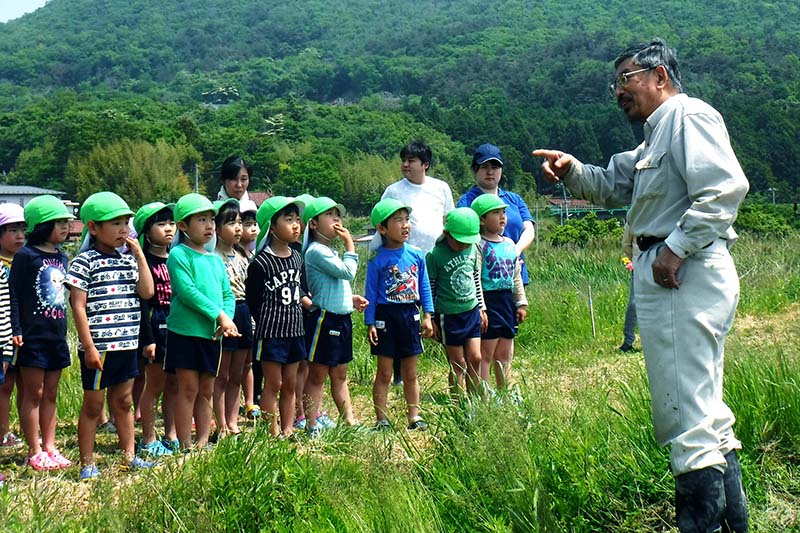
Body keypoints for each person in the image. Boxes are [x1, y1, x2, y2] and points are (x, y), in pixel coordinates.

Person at [533, 38, 749, 532]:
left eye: (626, 78)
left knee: (684, 419)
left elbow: (725, 189)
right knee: (706, 415)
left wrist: (674, 248)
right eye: (616, 83)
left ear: (660, 77)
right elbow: (613, 183)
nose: (618, 91)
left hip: (682, 274)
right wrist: (572, 170)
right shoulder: (654, 137)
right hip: (679, 273)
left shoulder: (688, 116)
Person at [66, 192, 155, 480]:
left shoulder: (128, 260)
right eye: (114, 223)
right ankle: (87, 462)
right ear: (93, 228)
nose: (122, 230)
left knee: (125, 401)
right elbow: (77, 306)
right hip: (100, 347)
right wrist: (89, 347)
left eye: (125, 223)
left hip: (127, 343)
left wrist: (140, 255)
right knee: (93, 405)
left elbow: (147, 292)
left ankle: (130, 456)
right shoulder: (84, 262)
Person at [164, 194, 238, 451]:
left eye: (211, 220)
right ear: (183, 226)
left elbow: (227, 293)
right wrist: (219, 315)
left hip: (212, 334)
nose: (209, 226)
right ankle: (185, 444)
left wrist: (226, 317)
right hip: (185, 332)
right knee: (188, 389)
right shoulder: (178, 255)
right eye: (201, 220)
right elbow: (187, 292)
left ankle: (203, 441)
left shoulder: (215, 260)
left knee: (207, 389)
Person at [9, 195, 73, 471]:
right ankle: (33, 449)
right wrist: (16, 329)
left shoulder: (62, 256)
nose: (64, 228)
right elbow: (13, 295)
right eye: (57, 223)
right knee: (33, 392)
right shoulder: (26, 256)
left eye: (66, 222)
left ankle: (50, 445)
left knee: (51, 392)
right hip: (32, 336)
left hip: (56, 334)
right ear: (40, 225)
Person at [382, 140, 454, 385]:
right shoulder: (393, 191)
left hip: (436, 258)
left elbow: (447, 220)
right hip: (404, 261)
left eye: (410, 161)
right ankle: (400, 371)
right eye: (403, 160)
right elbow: (382, 223)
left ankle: (450, 355)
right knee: (405, 310)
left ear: (425, 164)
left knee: (439, 307)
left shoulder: (441, 188)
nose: (405, 165)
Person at [365, 199, 433, 431]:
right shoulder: (377, 259)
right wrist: (370, 322)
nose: (405, 225)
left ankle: (414, 416)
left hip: (409, 314)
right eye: (398, 220)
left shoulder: (417, 255)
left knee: (410, 372)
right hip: (385, 317)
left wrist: (428, 315)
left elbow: (424, 286)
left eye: (407, 220)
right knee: (384, 372)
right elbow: (371, 293)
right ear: (382, 229)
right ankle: (381, 419)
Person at [246, 196, 306, 437]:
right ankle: (271, 431)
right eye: (288, 220)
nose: (295, 225)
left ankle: (288, 429)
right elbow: (253, 300)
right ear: (271, 226)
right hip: (271, 333)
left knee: (291, 384)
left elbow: (300, 289)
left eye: (297, 220)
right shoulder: (260, 262)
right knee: (274, 384)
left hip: (295, 329)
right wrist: (265, 320)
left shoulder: (297, 257)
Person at [302, 196, 360, 437]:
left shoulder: (329, 250)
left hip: (342, 317)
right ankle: (311, 425)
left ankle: (349, 421)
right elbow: (347, 272)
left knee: (340, 374)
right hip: (325, 319)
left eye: (338, 214)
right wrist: (350, 244)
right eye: (329, 215)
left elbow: (334, 285)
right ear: (314, 224)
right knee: (317, 375)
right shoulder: (316, 251)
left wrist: (352, 300)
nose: (336, 219)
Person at [426, 208, 487, 398]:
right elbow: (431, 288)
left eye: (467, 242)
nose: (463, 246)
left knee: (475, 358)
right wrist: (432, 318)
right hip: (448, 316)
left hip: (471, 311)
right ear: (447, 234)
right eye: (459, 241)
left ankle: (476, 400)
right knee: (458, 362)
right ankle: (458, 402)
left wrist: (481, 307)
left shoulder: (473, 249)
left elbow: (476, 279)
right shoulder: (435, 255)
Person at [133, 202, 179, 456]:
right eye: (160, 224)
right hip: (155, 322)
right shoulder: (143, 261)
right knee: (155, 385)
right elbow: (143, 302)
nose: (168, 229)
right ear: (147, 230)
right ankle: (149, 437)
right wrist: (147, 338)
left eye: (171, 223)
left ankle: (171, 434)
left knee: (175, 384)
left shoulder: (177, 256)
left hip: (177, 324)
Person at [469, 194, 527, 390]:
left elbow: (515, 275)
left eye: (503, 212)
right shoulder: (478, 244)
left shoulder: (510, 244)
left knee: (505, 353)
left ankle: (505, 391)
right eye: (495, 213)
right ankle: (485, 394)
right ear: (482, 220)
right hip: (489, 301)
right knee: (487, 353)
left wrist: (520, 302)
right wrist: (480, 307)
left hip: (506, 301)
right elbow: (475, 276)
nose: (502, 217)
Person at [457, 144, 536, 285]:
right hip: (484, 279)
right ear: (475, 170)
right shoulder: (467, 201)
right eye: (484, 167)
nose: (490, 172)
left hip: (515, 273)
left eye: (494, 167)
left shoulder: (514, 199)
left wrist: (515, 251)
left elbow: (529, 229)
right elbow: (464, 236)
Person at [0, 203, 26, 450]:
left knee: (25, 384)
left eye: (22, 229)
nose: (19, 236)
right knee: (5, 384)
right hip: (5, 334)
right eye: (12, 230)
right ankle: (4, 431)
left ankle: (25, 429)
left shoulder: (26, 260)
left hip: (25, 333)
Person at [237, 199, 262, 420]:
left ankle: (250, 401)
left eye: (255, 223)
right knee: (235, 363)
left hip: (252, 315)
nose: (252, 228)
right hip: (238, 312)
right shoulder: (232, 255)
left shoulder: (255, 255)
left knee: (249, 361)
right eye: (246, 223)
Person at [619, 222, 638, 352]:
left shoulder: (634, 215)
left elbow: (626, 245)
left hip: (640, 263)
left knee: (634, 303)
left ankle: (628, 340)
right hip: (668, 263)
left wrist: (636, 258)